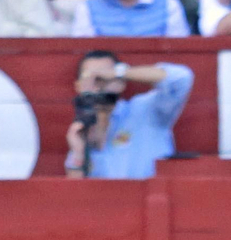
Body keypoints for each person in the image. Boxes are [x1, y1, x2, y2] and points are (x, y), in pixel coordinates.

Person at [65, 52, 194, 179]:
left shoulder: (146, 110)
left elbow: (181, 79)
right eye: (91, 78)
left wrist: (119, 73)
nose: (99, 85)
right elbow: (75, 192)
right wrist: (78, 153)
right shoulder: (81, 130)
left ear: (121, 83)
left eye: (104, 78)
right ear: (79, 86)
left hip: (150, 197)